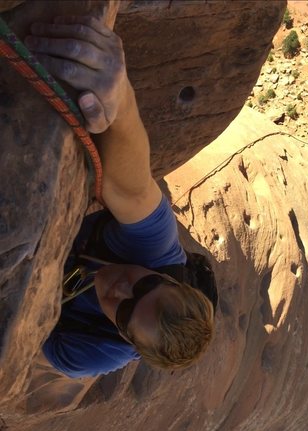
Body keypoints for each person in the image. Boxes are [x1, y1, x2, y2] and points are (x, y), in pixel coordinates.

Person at [24, 15, 215, 378]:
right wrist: (119, 95)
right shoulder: (157, 251)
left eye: (125, 314)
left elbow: (20, 337)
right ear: (169, 279)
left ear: (129, 341)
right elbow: (130, 186)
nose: (121, 289)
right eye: (145, 286)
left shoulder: (89, 352)